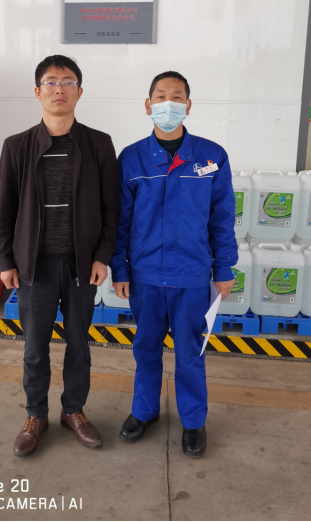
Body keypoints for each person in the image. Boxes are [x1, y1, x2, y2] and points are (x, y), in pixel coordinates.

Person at [0, 54, 120, 457]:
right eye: (51, 82)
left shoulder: (98, 144)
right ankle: (36, 415)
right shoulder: (17, 147)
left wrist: (102, 256)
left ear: (79, 92)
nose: (59, 89)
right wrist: (6, 260)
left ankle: (73, 411)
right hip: (35, 267)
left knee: (78, 344)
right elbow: (6, 211)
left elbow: (111, 209)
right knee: (35, 348)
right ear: (38, 92)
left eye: (68, 82)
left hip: (81, 266)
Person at [110, 70, 237, 458]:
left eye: (177, 96)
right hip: (146, 276)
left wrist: (224, 268)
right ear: (148, 105)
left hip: (193, 276)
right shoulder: (131, 158)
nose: (169, 103)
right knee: (146, 347)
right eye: (161, 96)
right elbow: (120, 221)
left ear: (188, 105)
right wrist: (120, 269)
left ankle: (194, 421)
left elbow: (221, 218)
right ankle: (144, 411)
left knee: (190, 352)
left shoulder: (212, 157)